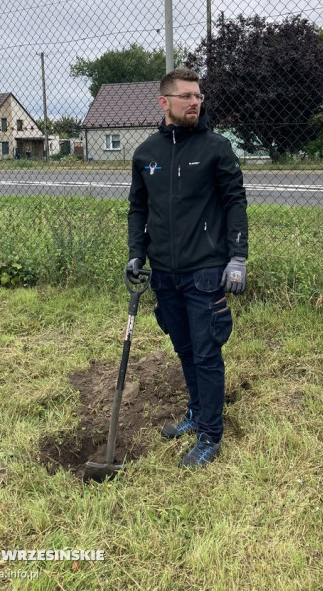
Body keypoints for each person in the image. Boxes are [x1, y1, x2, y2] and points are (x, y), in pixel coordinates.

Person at [126, 67, 248, 469]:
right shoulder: (146, 154)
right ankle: (196, 414)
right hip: (164, 273)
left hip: (206, 271)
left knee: (206, 351)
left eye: (199, 96)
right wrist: (135, 255)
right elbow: (138, 209)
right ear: (165, 102)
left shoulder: (217, 148)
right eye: (187, 96)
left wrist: (238, 256)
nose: (196, 102)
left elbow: (234, 203)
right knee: (184, 349)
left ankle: (212, 434)